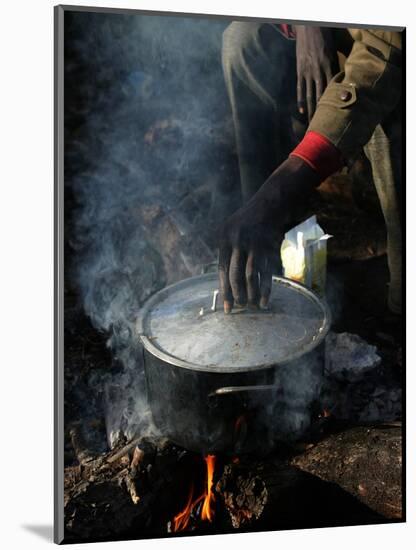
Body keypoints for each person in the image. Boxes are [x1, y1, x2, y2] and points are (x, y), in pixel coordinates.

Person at [219, 23, 403, 314]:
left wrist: (283, 187)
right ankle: (259, 250)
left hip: (384, 47)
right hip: (322, 30)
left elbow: (384, 53)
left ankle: (402, 302)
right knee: (241, 43)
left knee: (395, 101)